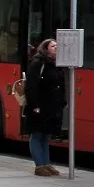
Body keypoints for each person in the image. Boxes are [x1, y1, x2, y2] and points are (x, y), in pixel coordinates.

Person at [23, 38, 68, 176]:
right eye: (53, 46)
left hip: (51, 106)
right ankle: (39, 166)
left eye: (57, 46)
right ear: (46, 48)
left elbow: (60, 84)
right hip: (39, 106)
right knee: (37, 134)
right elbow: (31, 86)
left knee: (45, 136)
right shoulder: (38, 63)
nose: (56, 48)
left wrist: (62, 102)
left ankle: (46, 164)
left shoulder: (56, 64)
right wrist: (34, 106)